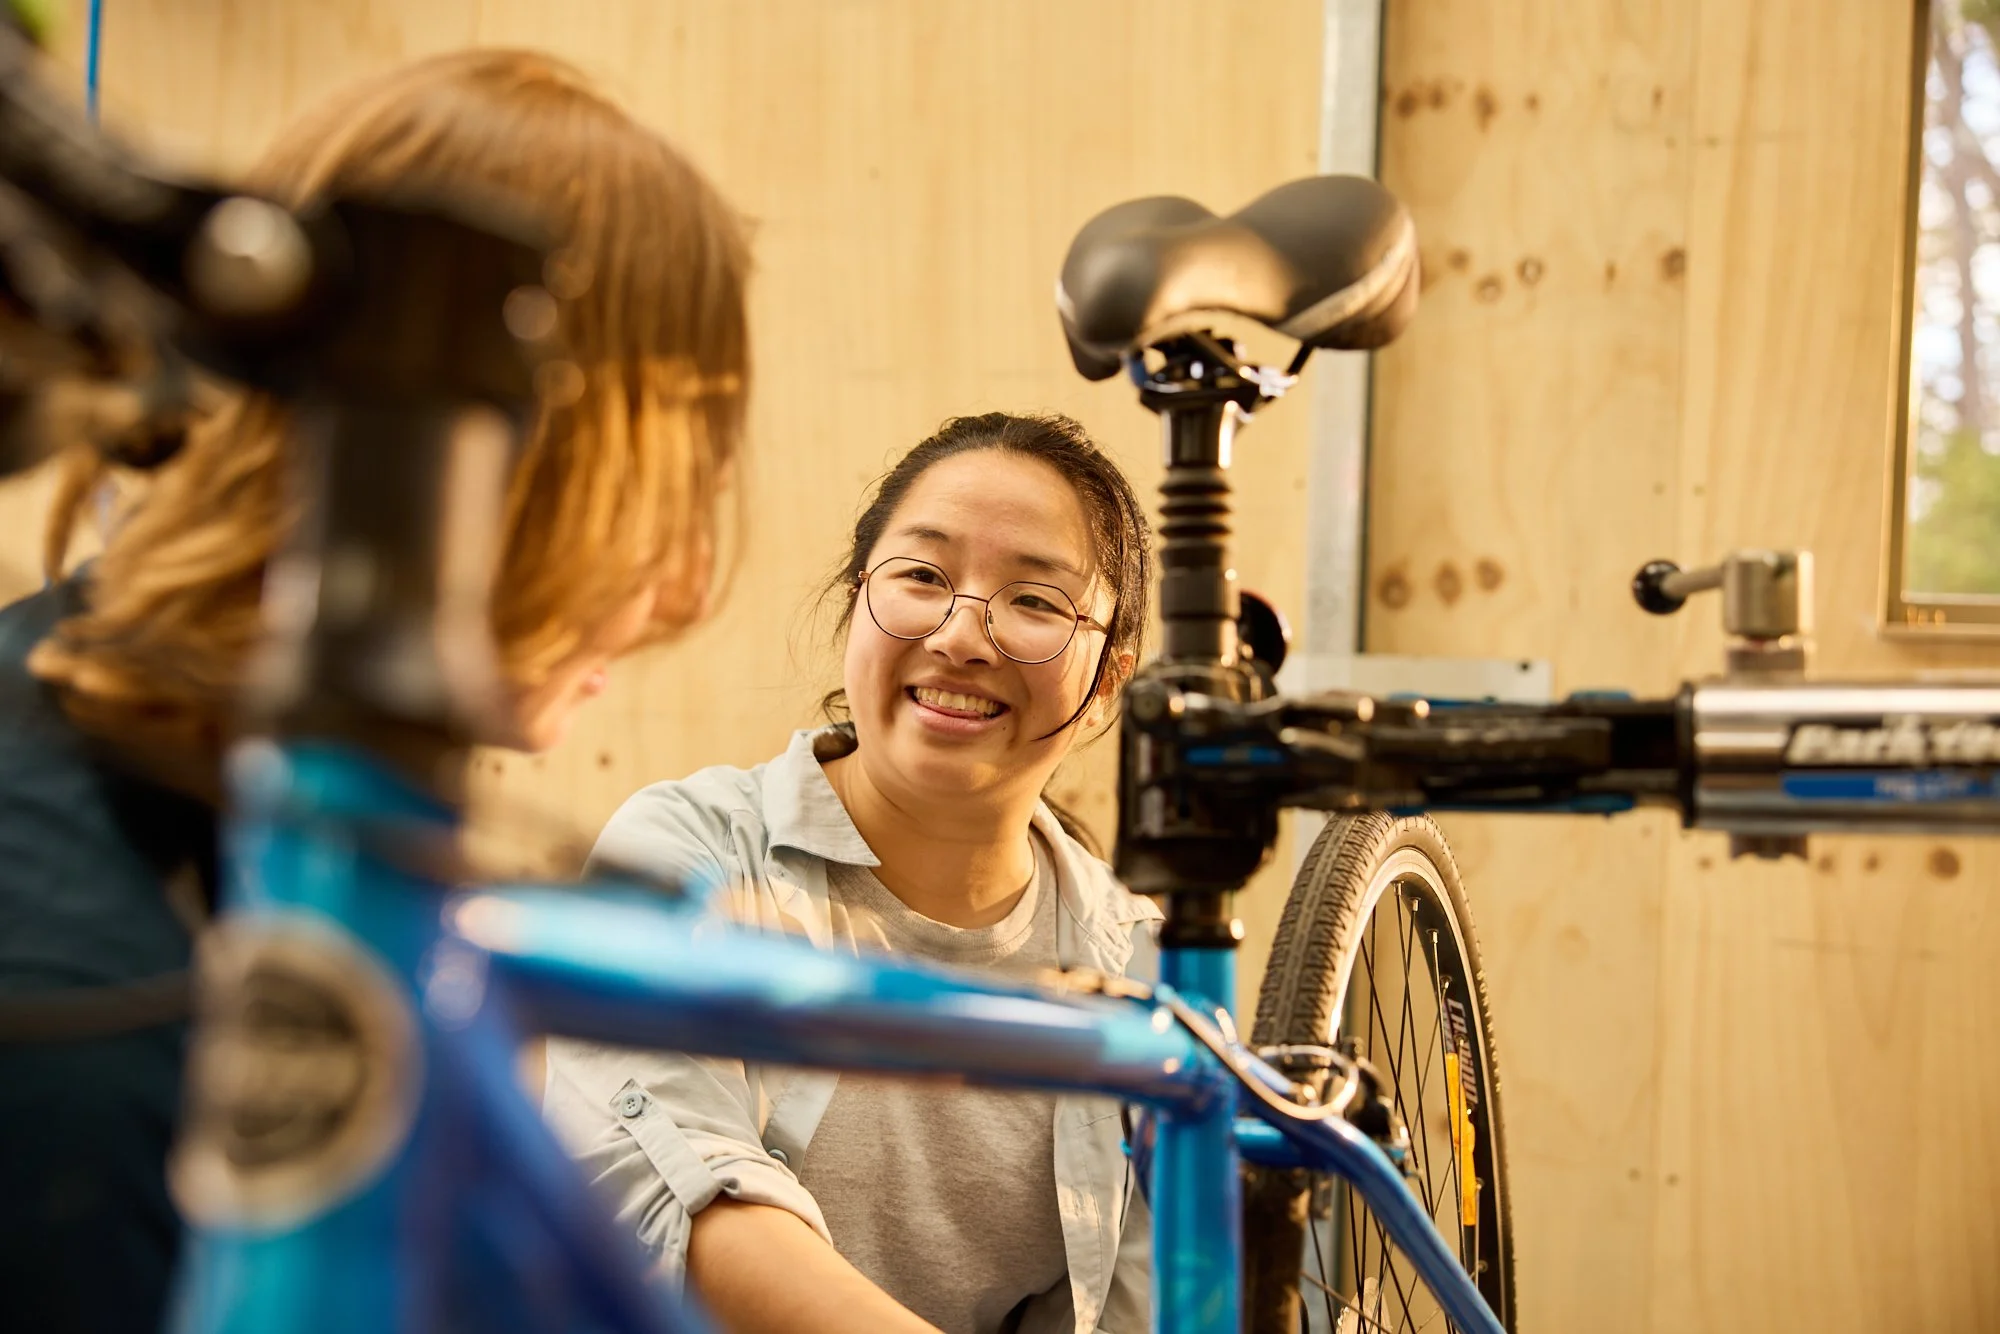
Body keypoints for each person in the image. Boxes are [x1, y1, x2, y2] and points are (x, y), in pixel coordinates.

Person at [0, 49, 750, 1334]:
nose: (680, 585)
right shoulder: (95, 1017)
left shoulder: (161, 780)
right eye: (672, 477)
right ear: (513, 465)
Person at [545, 411, 1161, 1334]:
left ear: (1108, 675)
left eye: (1036, 600)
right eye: (922, 576)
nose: (962, 635)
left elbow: (1134, 1307)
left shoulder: (1136, 961)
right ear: (857, 596)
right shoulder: (692, 852)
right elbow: (683, 1207)